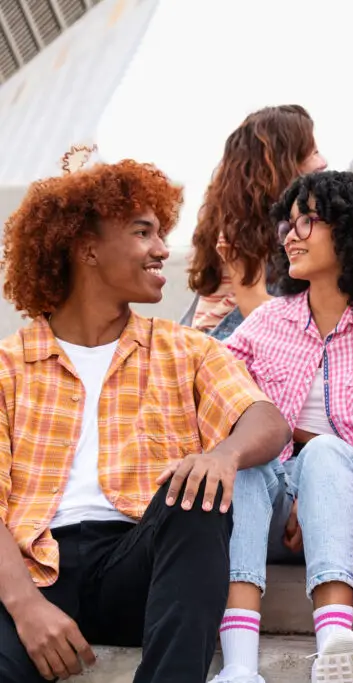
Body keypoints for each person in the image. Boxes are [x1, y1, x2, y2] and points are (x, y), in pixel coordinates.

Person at [0, 157, 291, 683]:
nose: (162, 250)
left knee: (197, 494)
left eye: (161, 234)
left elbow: (266, 420)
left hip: (141, 567)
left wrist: (224, 454)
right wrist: (25, 607)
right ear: (87, 248)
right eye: (143, 232)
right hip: (33, 572)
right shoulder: (7, 368)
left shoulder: (187, 350)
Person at [208, 171, 353, 683]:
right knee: (244, 465)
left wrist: (323, 483)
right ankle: (240, 668)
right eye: (287, 224)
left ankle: (335, 640)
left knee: (328, 454)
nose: (291, 235)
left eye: (307, 221)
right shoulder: (268, 322)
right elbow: (208, 381)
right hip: (277, 506)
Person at [185, 105, 328, 340]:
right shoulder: (240, 226)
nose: (323, 162)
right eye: (313, 153)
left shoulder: (291, 221)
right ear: (284, 164)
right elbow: (253, 306)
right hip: (222, 342)